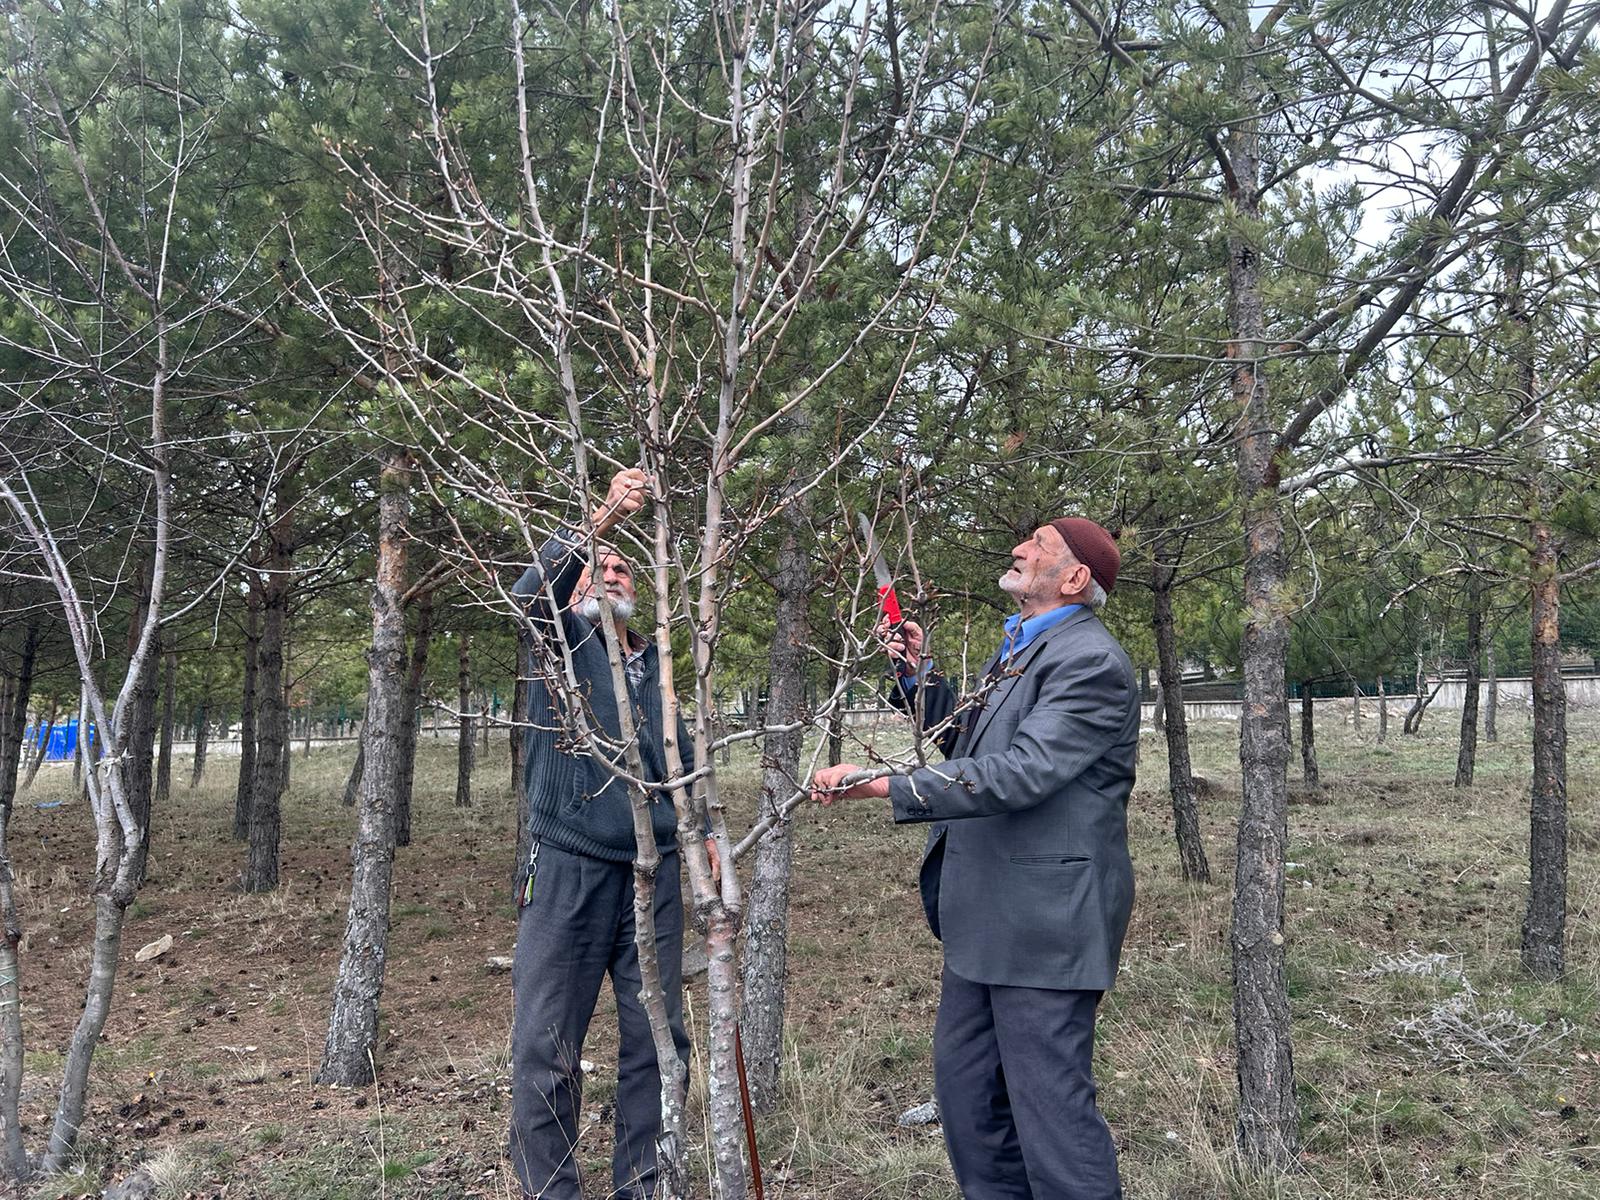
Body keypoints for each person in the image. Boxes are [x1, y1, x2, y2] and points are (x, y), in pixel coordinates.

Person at [812, 516, 1137, 1200]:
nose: (1019, 549)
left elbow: (1021, 773)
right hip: (986, 921)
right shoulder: (1022, 648)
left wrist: (882, 785)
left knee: (1052, 1120)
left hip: (1044, 927)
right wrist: (919, 674)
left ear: (1074, 578)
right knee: (970, 1109)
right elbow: (971, 743)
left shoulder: (1090, 661)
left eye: (1039, 546)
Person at [509, 467, 715, 1200]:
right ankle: (551, 1190)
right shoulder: (556, 644)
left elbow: (685, 761)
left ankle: (646, 1186)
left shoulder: (654, 665)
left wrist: (710, 832)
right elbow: (527, 592)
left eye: (624, 567)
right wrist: (603, 518)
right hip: (569, 864)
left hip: (651, 872)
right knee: (547, 1047)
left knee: (657, 1047)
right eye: (600, 565)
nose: (614, 570)